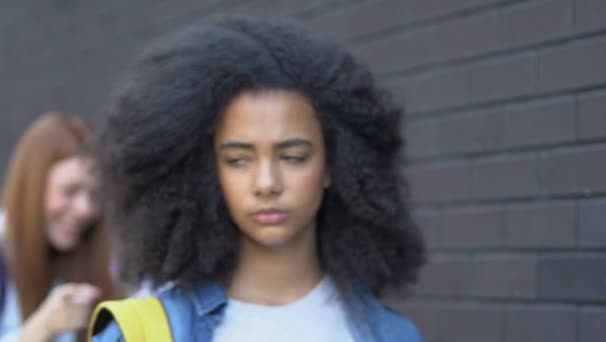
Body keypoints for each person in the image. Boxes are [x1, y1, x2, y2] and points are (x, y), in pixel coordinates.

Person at [91, 18, 425, 342]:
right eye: (238, 160)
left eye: (293, 157)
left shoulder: (392, 335)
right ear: (205, 173)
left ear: (332, 167)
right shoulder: (146, 333)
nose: (266, 183)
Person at [0, 113, 114, 342]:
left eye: (94, 195)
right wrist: (44, 327)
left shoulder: (92, 261)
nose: (85, 209)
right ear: (33, 185)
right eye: (70, 191)